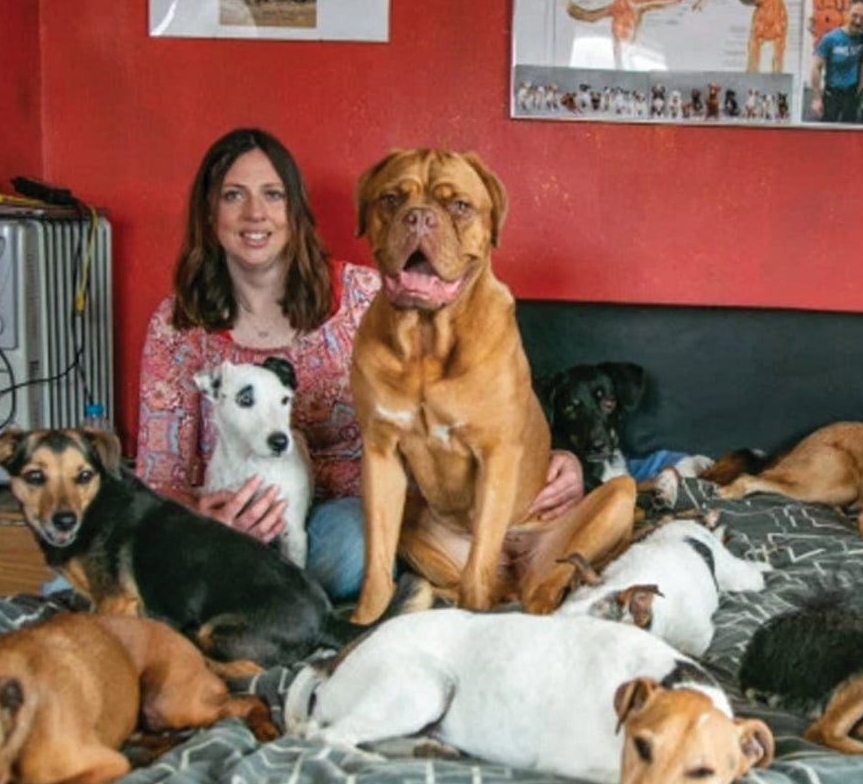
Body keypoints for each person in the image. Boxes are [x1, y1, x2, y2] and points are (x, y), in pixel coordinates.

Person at [135, 128, 584, 602]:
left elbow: (488, 393)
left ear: (296, 211)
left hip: (342, 510)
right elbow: (157, 474)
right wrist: (204, 515)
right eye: (233, 195)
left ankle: (250, 595)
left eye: (273, 195)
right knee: (132, 556)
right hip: (231, 509)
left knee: (349, 555)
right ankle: (248, 586)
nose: (255, 214)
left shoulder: (372, 297)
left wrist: (563, 456)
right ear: (209, 213)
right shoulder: (175, 326)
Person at [808, 0, 863, 124]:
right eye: (855, 15)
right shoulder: (830, 38)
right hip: (832, 95)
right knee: (829, 135)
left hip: (852, 95)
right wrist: (816, 98)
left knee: (849, 135)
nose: (858, 21)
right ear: (848, 13)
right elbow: (816, 68)